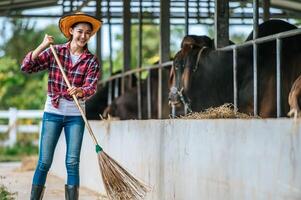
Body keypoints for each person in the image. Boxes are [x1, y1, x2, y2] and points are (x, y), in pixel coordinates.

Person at [21, 12, 102, 200]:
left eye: (87, 33)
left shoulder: (91, 61)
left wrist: (80, 91)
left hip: (76, 116)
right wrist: (42, 46)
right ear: (71, 31)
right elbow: (27, 67)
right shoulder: (55, 51)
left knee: (72, 162)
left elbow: (91, 87)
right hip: (53, 113)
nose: (83, 36)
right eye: (80, 31)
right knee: (44, 161)